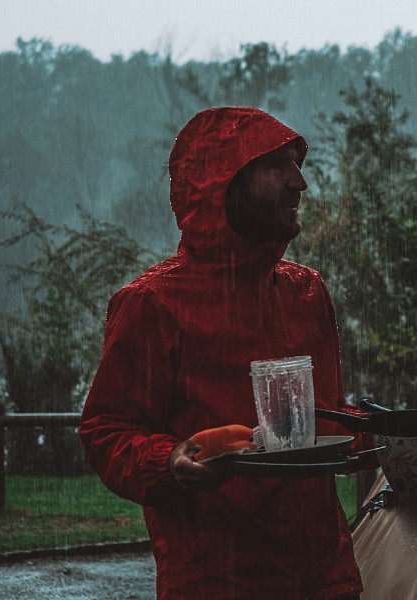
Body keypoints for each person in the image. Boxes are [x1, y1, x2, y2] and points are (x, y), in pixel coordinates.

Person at [78, 107, 370, 600]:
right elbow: (105, 431)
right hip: (216, 582)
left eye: (298, 167)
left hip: (325, 578)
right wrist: (168, 459)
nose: (300, 184)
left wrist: (390, 440)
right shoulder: (152, 303)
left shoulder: (305, 291)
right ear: (223, 183)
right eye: (279, 167)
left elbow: (325, 421)